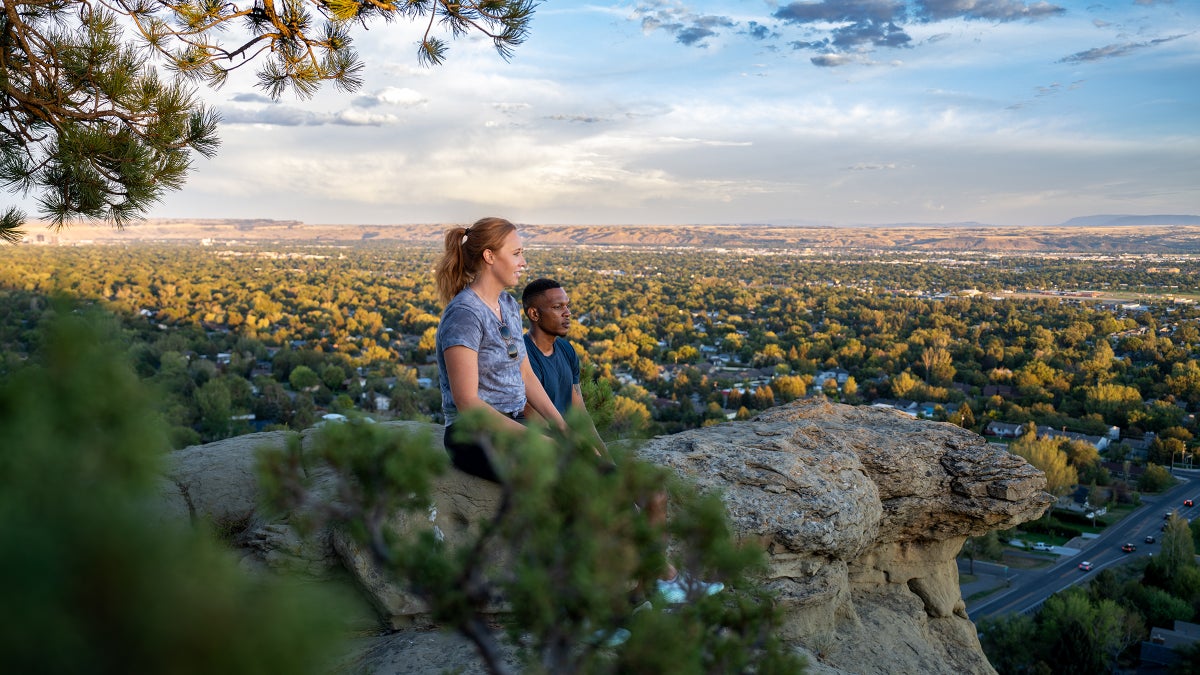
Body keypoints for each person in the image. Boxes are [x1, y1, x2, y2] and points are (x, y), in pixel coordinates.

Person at [520, 277, 722, 603]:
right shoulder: (524, 355)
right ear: (533, 313)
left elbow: (581, 414)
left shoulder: (567, 351)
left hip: (577, 450)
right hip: (550, 453)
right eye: (557, 307)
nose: (567, 313)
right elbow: (532, 417)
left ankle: (651, 584)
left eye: (567, 305)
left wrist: (604, 455)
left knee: (654, 495)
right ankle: (663, 578)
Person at [434, 218, 565, 483]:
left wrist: (563, 427)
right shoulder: (464, 315)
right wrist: (535, 439)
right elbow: (468, 403)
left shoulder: (506, 304)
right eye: (516, 253)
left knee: (592, 466)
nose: (523, 262)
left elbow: (525, 373)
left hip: (514, 423)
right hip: (474, 436)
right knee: (566, 479)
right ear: (489, 256)